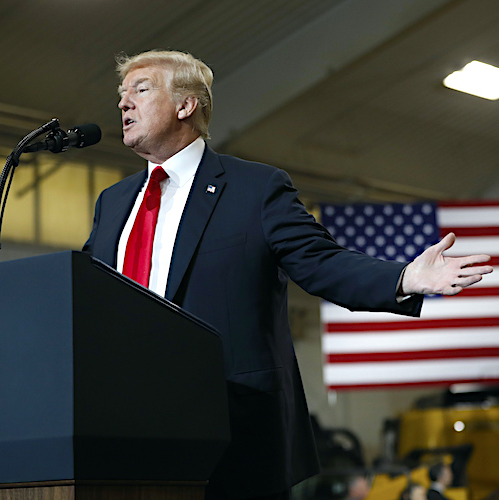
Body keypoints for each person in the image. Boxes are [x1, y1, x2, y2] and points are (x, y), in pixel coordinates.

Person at [83, 49, 493, 500]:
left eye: (141, 90)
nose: (124, 103)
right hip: (129, 432)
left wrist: (403, 279)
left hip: (232, 433)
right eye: (122, 94)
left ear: (186, 105)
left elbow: (321, 262)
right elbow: (83, 296)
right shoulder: (114, 203)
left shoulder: (255, 189)